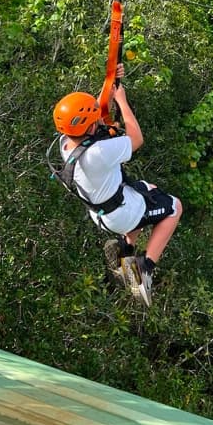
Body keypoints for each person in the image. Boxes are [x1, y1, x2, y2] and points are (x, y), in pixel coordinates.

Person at [52, 66, 182, 306]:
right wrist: (122, 101)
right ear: (89, 126)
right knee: (173, 207)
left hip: (101, 212)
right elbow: (136, 138)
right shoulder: (100, 152)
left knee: (147, 189)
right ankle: (145, 268)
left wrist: (110, 81)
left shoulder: (66, 144)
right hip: (120, 215)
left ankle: (126, 248)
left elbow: (95, 113)